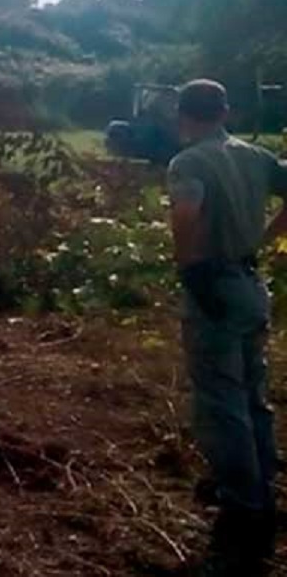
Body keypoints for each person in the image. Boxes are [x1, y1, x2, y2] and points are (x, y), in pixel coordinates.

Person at [167, 79, 287, 573]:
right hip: (251, 282)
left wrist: (191, 271)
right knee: (252, 390)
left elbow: (187, 215)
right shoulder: (255, 157)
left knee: (221, 400)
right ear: (226, 111)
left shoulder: (189, 163)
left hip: (213, 283)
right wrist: (264, 235)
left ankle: (243, 504)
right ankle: (261, 485)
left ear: (182, 114)